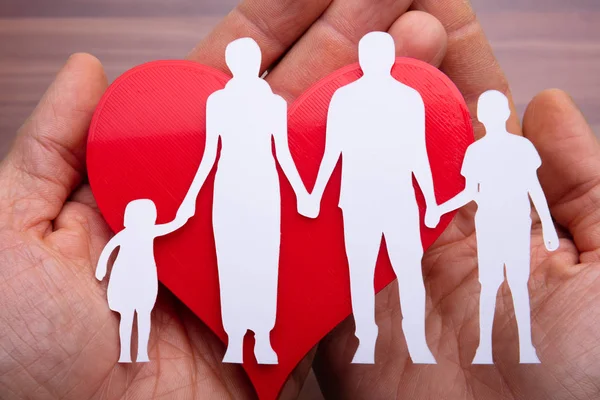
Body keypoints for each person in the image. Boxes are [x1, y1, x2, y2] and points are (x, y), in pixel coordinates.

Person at [1, 1, 598, 398]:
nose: (373, 57)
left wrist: (321, 191)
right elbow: (224, 153)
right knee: (245, 260)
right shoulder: (232, 105)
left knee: (273, 259)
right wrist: (197, 204)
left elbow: (334, 152)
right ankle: (247, 336)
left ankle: (277, 333)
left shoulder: (301, 103)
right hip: (250, 192)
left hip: (290, 189)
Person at [303, 31, 437, 364]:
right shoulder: (345, 98)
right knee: (363, 272)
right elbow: (332, 151)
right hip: (360, 199)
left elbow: (418, 152)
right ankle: (368, 340)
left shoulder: (409, 98)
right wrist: (315, 194)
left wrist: (431, 200)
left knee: (403, 270)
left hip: (396, 199)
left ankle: (416, 341)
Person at [178, 37, 309, 365]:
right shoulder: (218, 103)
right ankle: (236, 338)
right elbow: (209, 154)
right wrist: (190, 197)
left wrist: (302, 191)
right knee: (232, 259)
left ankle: (262, 338)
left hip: (264, 188)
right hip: (230, 189)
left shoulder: (273, 105)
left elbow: (283, 153)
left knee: (263, 261)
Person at [427, 90, 559, 364]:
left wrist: (547, 225)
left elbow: (533, 188)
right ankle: (484, 349)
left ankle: (525, 349)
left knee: (516, 284)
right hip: (489, 225)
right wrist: (440, 208)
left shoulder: (519, 148)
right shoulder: (475, 152)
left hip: (514, 224)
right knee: (492, 285)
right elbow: (470, 192)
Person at [95, 198, 193, 363]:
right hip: (126, 278)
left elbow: (174, 224)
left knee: (142, 315)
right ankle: (125, 353)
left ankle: (141, 352)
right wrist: (101, 268)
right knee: (128, 316)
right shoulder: (128, 235)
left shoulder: (148, 232)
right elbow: (108, 249)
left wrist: (184, 215)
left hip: (143, 278)